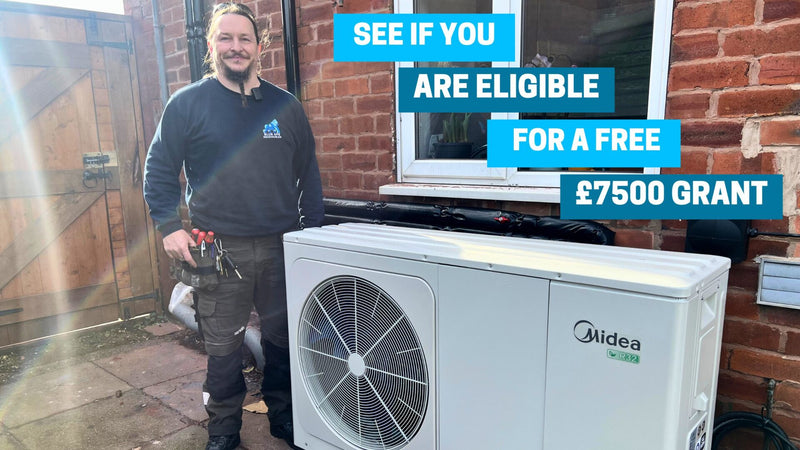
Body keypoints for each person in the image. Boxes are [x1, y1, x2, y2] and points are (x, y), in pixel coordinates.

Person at [143, 3, 324, 450]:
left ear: (259, 46)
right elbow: (158, 170)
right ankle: (224, 430)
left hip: (283, 246)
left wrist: (312, 237)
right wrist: (169, 225)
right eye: (226, 38)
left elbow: (310, 176)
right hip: (218, 249)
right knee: (223, 347)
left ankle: (285, 417)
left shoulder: (287, 108)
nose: (236, 47)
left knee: (284, 339)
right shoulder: (187, 105)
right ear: (212, 46)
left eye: (245, 38)